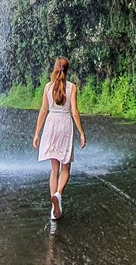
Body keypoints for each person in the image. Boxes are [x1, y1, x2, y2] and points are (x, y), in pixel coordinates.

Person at [32, 56, 86, 219]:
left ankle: (53, 208)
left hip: (51, 124)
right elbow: (75, 112)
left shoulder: (48, 87)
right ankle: (58, 195)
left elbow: (43, 111)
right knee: (66, 167)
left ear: (55, 68)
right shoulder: (72, 87)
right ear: (67, 70)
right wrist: (82, 133)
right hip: (64, 124)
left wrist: (37, 133)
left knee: (54, 169)